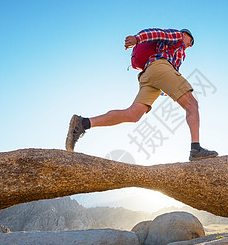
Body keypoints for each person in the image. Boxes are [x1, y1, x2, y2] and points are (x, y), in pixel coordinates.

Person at [65, 28, 218, 161]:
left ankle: (83, 123)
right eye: (191, 40)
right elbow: (157, 33)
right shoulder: (177, 35)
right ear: (185, 34)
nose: (190, 45)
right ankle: (196, 149)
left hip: (149, 75)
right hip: (160, 67)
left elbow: (170, 75)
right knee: (192, 105)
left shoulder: (180, 54)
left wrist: (168, 89)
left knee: (132, 114)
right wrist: (137, 39)